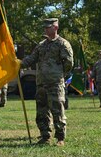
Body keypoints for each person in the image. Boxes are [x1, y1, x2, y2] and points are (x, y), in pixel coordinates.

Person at [20, 18, 73, 146]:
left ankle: (60, 138)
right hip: (41, 84)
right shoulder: (41, 45)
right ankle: (45, 136)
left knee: (57, 111)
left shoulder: (63, 44)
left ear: (55, 27)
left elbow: (69, 63)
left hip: (55, 83)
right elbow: (31, 59)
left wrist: (59, 75)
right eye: (44, 27)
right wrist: (18, 63)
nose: (45, 29)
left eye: (48, 27)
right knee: (42, 112)